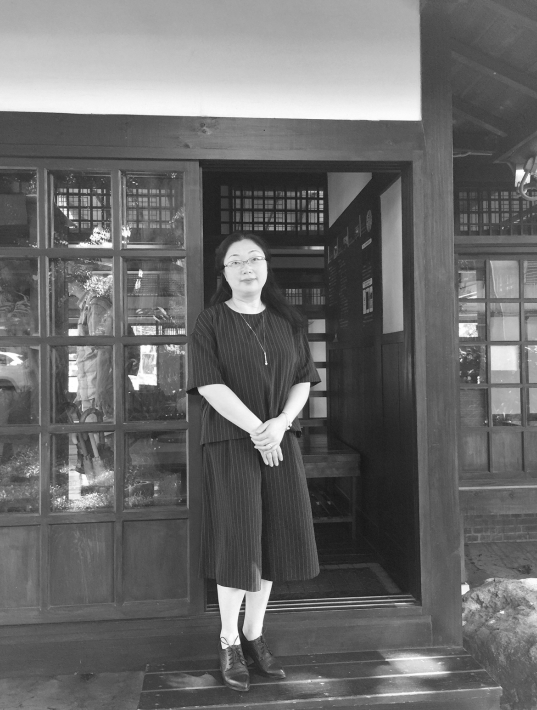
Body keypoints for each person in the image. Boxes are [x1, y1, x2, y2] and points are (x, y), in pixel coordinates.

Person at [186, 232, 320, 692]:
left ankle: (253, 633)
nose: (247, 267)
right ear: (223, 272)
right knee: (238, 540)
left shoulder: (288, 320)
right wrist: (258, 430)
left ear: (266, 267)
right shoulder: (210, 321)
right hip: (230, 442)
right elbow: (209, 384)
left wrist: (280, 423)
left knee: (274, 538)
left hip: (281, 440)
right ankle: (227, 639)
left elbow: (303, 379)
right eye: (236, 261)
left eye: (255, 258)